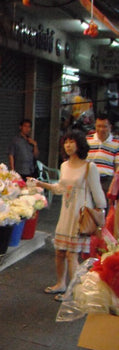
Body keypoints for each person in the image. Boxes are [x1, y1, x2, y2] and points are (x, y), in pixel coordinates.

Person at [29, 131, 105, 301]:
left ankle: (73, 291)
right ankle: (60, 284)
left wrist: (100, 215)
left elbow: (98, 194)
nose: (68, 145)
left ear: (80, 144)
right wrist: (40, 184)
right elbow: (60, 189)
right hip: (65, 214)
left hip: (80, 216)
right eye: (66, 142)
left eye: (72, 142)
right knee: (60, 252)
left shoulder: (89, 167)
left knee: (72, 255)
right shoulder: (64, 166)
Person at [86, 114, 119, 195]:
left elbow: (117, 166)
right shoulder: (87, 140)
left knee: (104, 206)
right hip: (89, 178)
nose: (101, 129)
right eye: (99, 126)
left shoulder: (116, 142)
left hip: (107, 180)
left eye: (104, 126)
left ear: (110, 127)